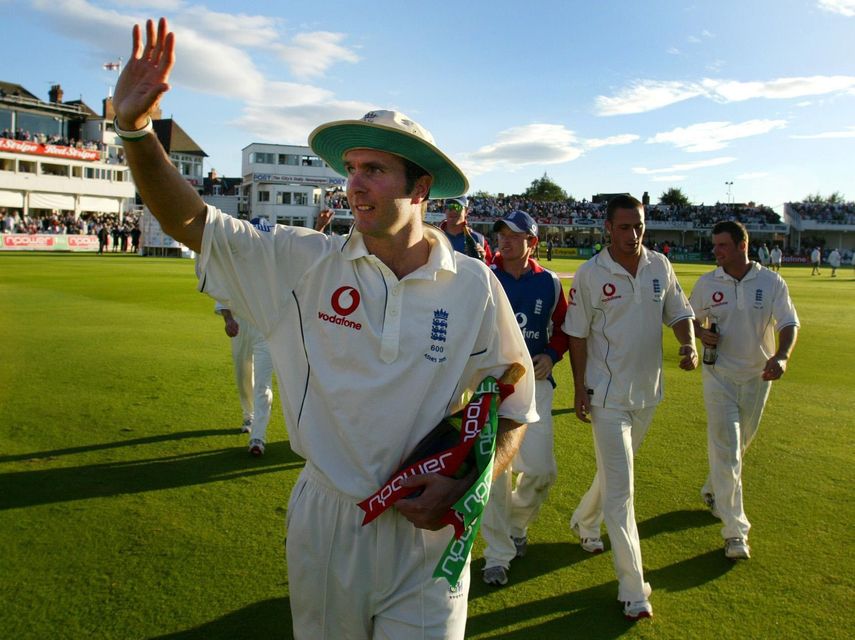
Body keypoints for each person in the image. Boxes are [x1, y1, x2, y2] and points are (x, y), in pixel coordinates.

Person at [113, 18, 536, 640]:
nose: (354, 183)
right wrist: (135, 130)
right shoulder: (302, 262)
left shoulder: (474, 284)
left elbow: (515, 404)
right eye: (352, 167)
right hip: (328, 522)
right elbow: (190, 221)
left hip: (426, 536)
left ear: (420, 188)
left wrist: (468, 478)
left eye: (375, 170)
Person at [562, 194, 697, 621]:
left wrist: (689, 343)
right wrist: (580, 388)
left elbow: (678, 311)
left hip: (648, 393)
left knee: (613, 473)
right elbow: (577, 335)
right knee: (623, 493)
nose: (633, 235)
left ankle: (584, 521)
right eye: (624, 227)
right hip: (606, 395)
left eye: (638, 226)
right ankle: (633, 588)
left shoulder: (659, 265)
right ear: (607, 228)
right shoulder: (590, 274)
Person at [689, 220, 799, 561]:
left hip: (757, 377)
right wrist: (700, 333)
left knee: (741, 443)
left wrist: (781, 356)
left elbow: (789, 323)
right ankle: (735, 531)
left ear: (742, 246)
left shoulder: (770, 281)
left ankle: (712, 489)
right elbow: (689, 317)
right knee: (728, 450)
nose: (716, 251)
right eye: (715, 245)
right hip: (718, 376)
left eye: (723, 245)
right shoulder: (708, 283)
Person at [480, 210, 569, 587]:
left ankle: (516, 525)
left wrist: (551, 353)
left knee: (541, 471)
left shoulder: (549, 283)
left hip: (534, 388)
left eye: (515, 235)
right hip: (490, 389)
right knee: (495, 476)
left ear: (531, 242)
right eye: (502, 234)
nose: (505, 239)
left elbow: (565, 330)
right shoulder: (484, 276)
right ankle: (497, 554)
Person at [216, 301, 274, 456]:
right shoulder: (236, 274)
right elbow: (223, 289)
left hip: (267, 327)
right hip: (240, 325)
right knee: (243, 377)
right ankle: (249, 415)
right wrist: (228, 319)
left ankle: (257, 437)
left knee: (263, 384)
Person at [438, 195, 492, 263]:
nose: (453, 211)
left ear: (466, 211)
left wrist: (483, 261)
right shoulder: (434, 237)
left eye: (457, 207)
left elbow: (490, 269)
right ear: (445, 210)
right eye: (450, 207)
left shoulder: (478, 239)